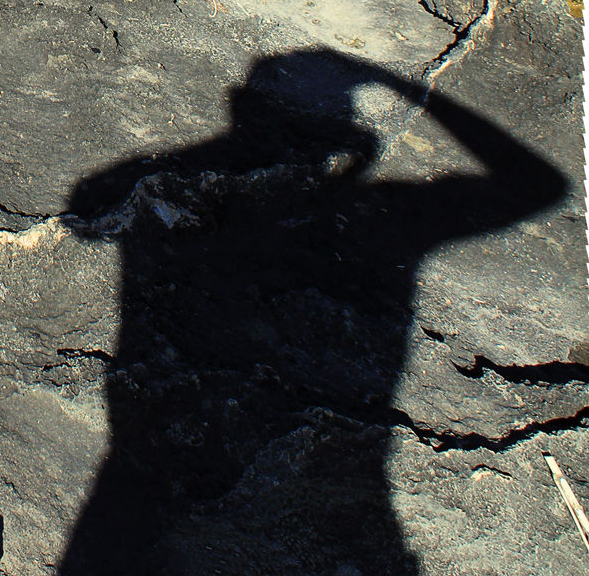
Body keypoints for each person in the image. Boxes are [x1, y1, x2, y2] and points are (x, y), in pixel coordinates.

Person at [59, 48, 567, 572]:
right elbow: (539, 185)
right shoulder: (386, 211)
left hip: (133, 477)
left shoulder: (359, 204)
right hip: (342, 493)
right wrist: (403, 86)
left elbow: (86, 204)